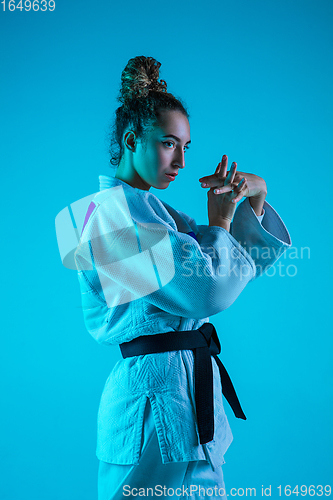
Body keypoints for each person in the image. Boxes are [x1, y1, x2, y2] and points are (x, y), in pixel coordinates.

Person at [73, 56, 291, 499]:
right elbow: (208, 290)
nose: (181, 161)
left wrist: (256, 197)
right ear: (132, 140)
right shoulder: (107, 219)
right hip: (152, 398)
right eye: (169, 144)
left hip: (183, 386)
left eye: (187, 147)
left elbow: (228, 268)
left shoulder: (159, 215)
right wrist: (221, 223)